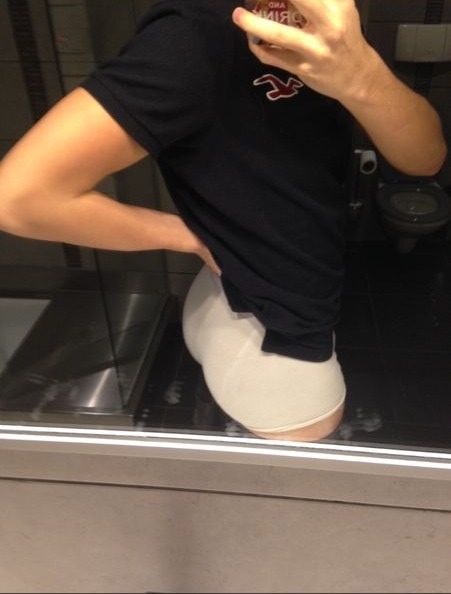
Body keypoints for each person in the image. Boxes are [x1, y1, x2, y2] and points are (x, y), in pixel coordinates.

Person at [0, 0, 447, 441]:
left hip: (245, 297)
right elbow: (18, 200)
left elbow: (425, 160)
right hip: (271, 333)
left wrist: (363, 76)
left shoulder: (328, 16)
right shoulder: (194, 35)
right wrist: (185, 236)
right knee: (292, 471)